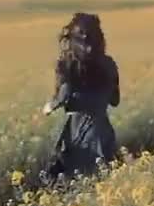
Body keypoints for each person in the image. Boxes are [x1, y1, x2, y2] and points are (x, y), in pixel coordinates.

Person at [40, 12, 120, 182]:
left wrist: (48, 107)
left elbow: (63, 95)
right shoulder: (109, 64)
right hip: (102, 132)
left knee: (68, 180)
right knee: (101, 181)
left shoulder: (66, 64)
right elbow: (115, 101)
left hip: (76, 132)